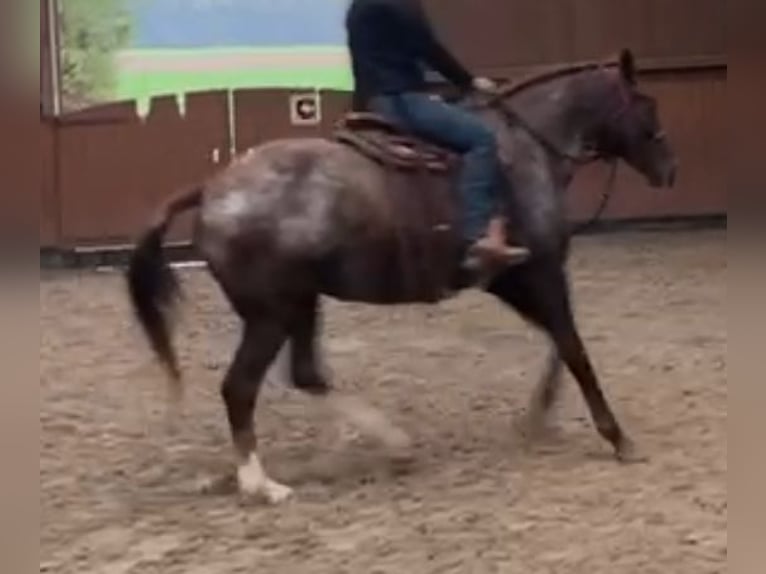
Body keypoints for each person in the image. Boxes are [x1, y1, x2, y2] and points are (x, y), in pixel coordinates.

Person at [345, 0, 530, 268]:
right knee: (482, 139)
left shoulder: (360, 5)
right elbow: (427, 46)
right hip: (401, 99)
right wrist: (469, 82)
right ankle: (478, 234)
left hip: (376, 97)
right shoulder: (397, 4)